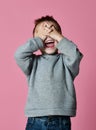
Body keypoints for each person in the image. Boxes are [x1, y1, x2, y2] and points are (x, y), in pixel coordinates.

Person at [14, 15, 83, 130]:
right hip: (35, 119)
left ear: (59, 36)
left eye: (52, 31)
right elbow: (19, 55)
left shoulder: (66, 62)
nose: (48, 36)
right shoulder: (32, 62)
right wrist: (39, 39)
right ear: (37, 41)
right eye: (43, 34)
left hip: (61, 120)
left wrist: (57, 36)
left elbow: (75, 54)